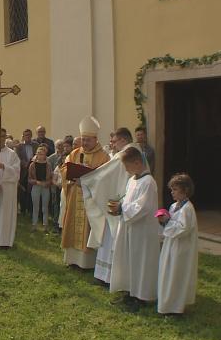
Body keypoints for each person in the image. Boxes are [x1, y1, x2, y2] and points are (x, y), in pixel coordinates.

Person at [79, 127, 136, 285]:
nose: (112, 144)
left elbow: (105, 175)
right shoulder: (136, 151)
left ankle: (108, 276)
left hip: (118, 201)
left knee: (111, 238)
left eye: (114, 141)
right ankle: (107, 275)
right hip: (124, 199)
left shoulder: (124, 154)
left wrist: (87, 180)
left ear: (123, 140)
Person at [108, 147, 161, 312]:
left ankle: (142, 296)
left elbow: (143, 207)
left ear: (137, 162)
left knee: (141, 261)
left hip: (142, 230)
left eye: (127, 167)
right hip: (130, 227)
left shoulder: (149, 182)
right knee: (130, 260)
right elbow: (128, 200)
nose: (126, 170)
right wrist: (120, 206)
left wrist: (122, 209)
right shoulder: (132, 180)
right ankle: (131, 291)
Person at [60, 116, 110, 269]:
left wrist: (89, 179)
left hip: (91, 200)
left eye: (88, 140)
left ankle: (87, 263)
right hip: (75, 195)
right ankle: (72, 259)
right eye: (83, 139)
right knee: (73, 225)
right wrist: (69, 173)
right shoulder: (75, 153)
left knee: (88, 228)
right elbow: (63, 169)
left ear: (95, 139)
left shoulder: (104, 156)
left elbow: (105, 177)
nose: (85, 143)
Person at [157, 173, 198, 315]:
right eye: (172, 189)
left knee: (176, 275)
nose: (172, 192)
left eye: (175, 189)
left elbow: (183, 228)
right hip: (170, 245)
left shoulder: (187, 209)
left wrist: (167, 222)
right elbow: (172, 224)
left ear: (185, 190)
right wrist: (164, 220)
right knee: (167, 273)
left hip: (181, 248)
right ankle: (166, 302)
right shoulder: (174, 206)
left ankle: (175, 307)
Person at [29, 145, 52, 226]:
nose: (41, 155)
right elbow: (29, 179)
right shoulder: (32, 165)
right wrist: (36, 182)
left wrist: (47, 183)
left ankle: (45, 225)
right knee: (35, 207)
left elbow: (51, 178)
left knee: (45, 207)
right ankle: (34, 224)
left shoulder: (48, 165)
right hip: (36, 186)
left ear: (45, 155)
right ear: (36, 154)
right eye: (39, 154)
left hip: (45, 187)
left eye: (42, 154)